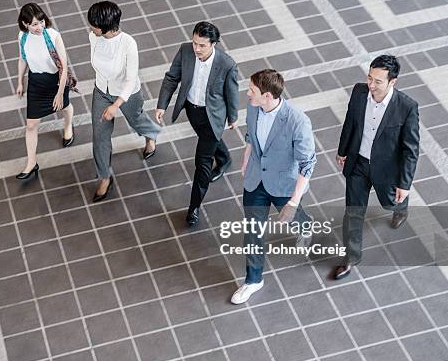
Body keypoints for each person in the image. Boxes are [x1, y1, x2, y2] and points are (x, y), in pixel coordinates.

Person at [230, 69, 317, 304]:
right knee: (252, 231)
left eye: (252, 91)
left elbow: (307, 163)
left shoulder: (297, 122)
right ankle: (253, 280)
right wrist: (247, 156)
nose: (247, 93)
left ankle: (305, 225)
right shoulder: (252, 107)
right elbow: (251, 134)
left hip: (283, 185)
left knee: (293, 217)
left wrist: (293, 201)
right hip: (255, 180)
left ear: (267, 96)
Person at [334, 55, 420, 280]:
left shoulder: (407, 107)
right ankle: (351, 257)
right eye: (369, 78)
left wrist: (405, 184)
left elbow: (410, 150)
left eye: (378, 81)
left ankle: (401, 208)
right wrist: (343, 151)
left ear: (393, 82)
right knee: (353, 212)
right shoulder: (359, 92)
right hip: (358, 164)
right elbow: (350, 123)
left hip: (387, 170)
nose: (371, 85)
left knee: (392, 201)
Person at [156, 21, 238, 226]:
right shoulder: (185, 51)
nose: (196, 48)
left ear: (214, 44)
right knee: (208, 140)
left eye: (202, 45)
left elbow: (232, 92)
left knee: (202, 164)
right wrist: (162, 105)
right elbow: (171, 78)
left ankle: (194, 208)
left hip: (213, 117)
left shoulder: (227, 64)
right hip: (192, 110)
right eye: (195, 43)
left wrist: (233, 116)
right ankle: (225, 158)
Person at [88, 1, 161, 202]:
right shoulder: (94, 37)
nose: (89, 27)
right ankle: (104, 176)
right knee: (99, 135)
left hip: (127, 94)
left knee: (137, 121)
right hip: (101, 91)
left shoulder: (128, 43)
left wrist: (116, 104)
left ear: (105, 28)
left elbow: (130, 79)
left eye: (93, 24)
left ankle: (151, 134)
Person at [15, 3, 75, 180]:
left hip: (56, 80)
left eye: (41, 22)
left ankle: (68, 126)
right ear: (25, 24)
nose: (39, 27)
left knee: (64, 106)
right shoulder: (22, 36)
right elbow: (22, 58)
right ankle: (31, 163)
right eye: (34, 24)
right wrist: (20, 81)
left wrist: (58, 93)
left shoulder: (53, 35)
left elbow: (64, 67)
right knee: (31, 124)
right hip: (36, 82)